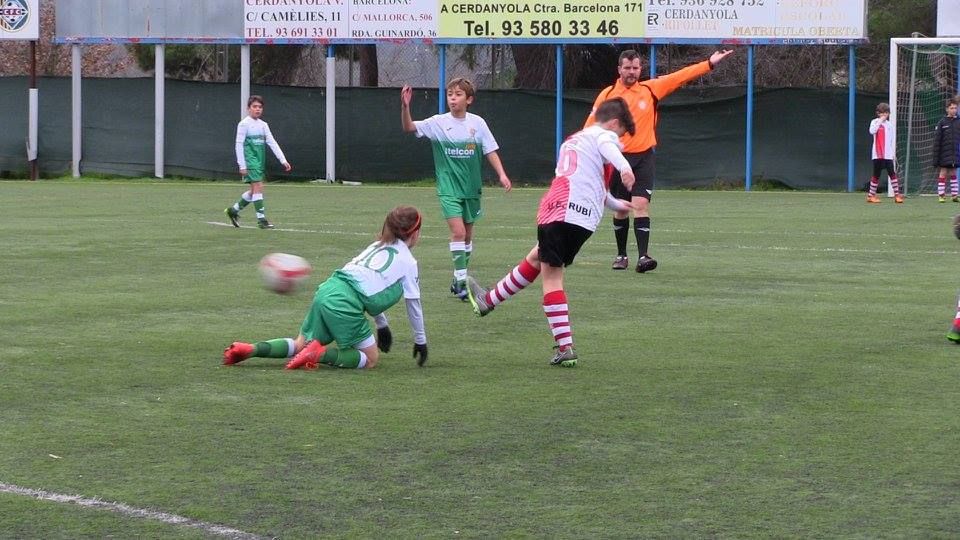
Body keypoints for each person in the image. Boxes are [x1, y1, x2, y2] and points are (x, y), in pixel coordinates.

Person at [465, 98, 637, 367]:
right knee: (537, 258)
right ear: (614, 123)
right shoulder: (601, 137)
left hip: (558, 210)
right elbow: (600, 182)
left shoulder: (578, 139)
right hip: (581, 220)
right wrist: (617, 201)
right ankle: (488, 300)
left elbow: (604, 152)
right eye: (620, 135)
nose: (619, 141)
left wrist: (624, 169)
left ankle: (565, 346)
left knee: (552, 277)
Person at [222, 206, 428, 369]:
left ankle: (251, 349)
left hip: (328, 289)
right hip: (345, 302)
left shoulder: (376, 246)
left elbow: (372, 283)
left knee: (300, 344)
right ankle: (319, 354)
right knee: (370, 359)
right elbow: (413, 305)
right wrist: (420, 341)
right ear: (414, 233)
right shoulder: (408, 263)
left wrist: (382, 325)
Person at [586, 49, 734, 273]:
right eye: (627, 68)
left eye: (635, 68)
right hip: (616, 160)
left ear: (640, 69)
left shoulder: (650, 89)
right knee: (621, 209)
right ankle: (621, 255)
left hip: (643, 157)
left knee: (641, 205)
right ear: (619, 69)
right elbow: (589, 128)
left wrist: (709, 64)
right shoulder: (607, 95)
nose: (632, 72)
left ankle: (643, 256)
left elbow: (680, 76)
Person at [400, 79, 512, 300]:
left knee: (467, 236)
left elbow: (490, 150)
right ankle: (461, 283)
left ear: (469, 99)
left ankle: (458, 277)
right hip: (448, 188)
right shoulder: (438, 123)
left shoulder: (478, 124)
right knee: (458, 233)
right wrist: (405, 107)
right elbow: (409, 127)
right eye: (450, 94)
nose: (452, 98)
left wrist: (502, 174)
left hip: (471, 189)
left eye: (458, 94)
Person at [224, 95, 292, 230]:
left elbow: (272, 142)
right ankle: (261, 220)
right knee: (259, 186)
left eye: (260, 107)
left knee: (254, 190)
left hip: (259, 161)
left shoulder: (263, 125)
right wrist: (242, 165)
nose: (257, 109)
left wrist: (283, 160)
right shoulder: (244, 124)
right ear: (248, 108)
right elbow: (238, 145)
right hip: (250, 161)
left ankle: (233, 210)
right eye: (254, 106)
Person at [866, 102, 904, 204]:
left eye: (886, 113)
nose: (884, 115)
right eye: (882, 113)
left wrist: (892, 153)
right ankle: (871, 195)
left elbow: (891, 139)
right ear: (878, 113)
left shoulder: (890, 125)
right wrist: (880, 121)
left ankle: (897, 195)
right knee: (876, 174)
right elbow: (872, 131)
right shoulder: (874, 122)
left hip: (887, 155)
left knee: (892, 173)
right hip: (877, 155)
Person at [933, 99, 960, 203]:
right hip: (944, 153)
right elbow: (937, 140)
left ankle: (954, 195)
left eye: (955, 108)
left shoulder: (959, 121)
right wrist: (936, 157)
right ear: (947, 109)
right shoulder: (942, 122)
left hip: (955, 154)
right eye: (951, 108)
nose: (954, 110)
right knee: (943, 172)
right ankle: (941, 195)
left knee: (953, 172)